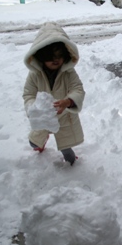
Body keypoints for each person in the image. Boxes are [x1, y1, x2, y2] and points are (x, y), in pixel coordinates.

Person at [23, 22, 85, 166]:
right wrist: (34, 108)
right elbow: (28, 94)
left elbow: (78, 89)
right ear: (41, 56)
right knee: (34, 143)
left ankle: (72, 166)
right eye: (51, 57)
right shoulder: (34, 75)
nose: (56, 60)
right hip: (43, 116)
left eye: (59, 56)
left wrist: (68, 101)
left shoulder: (68, 73)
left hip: (64, 116)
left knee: (66, 150)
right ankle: (42, 140)